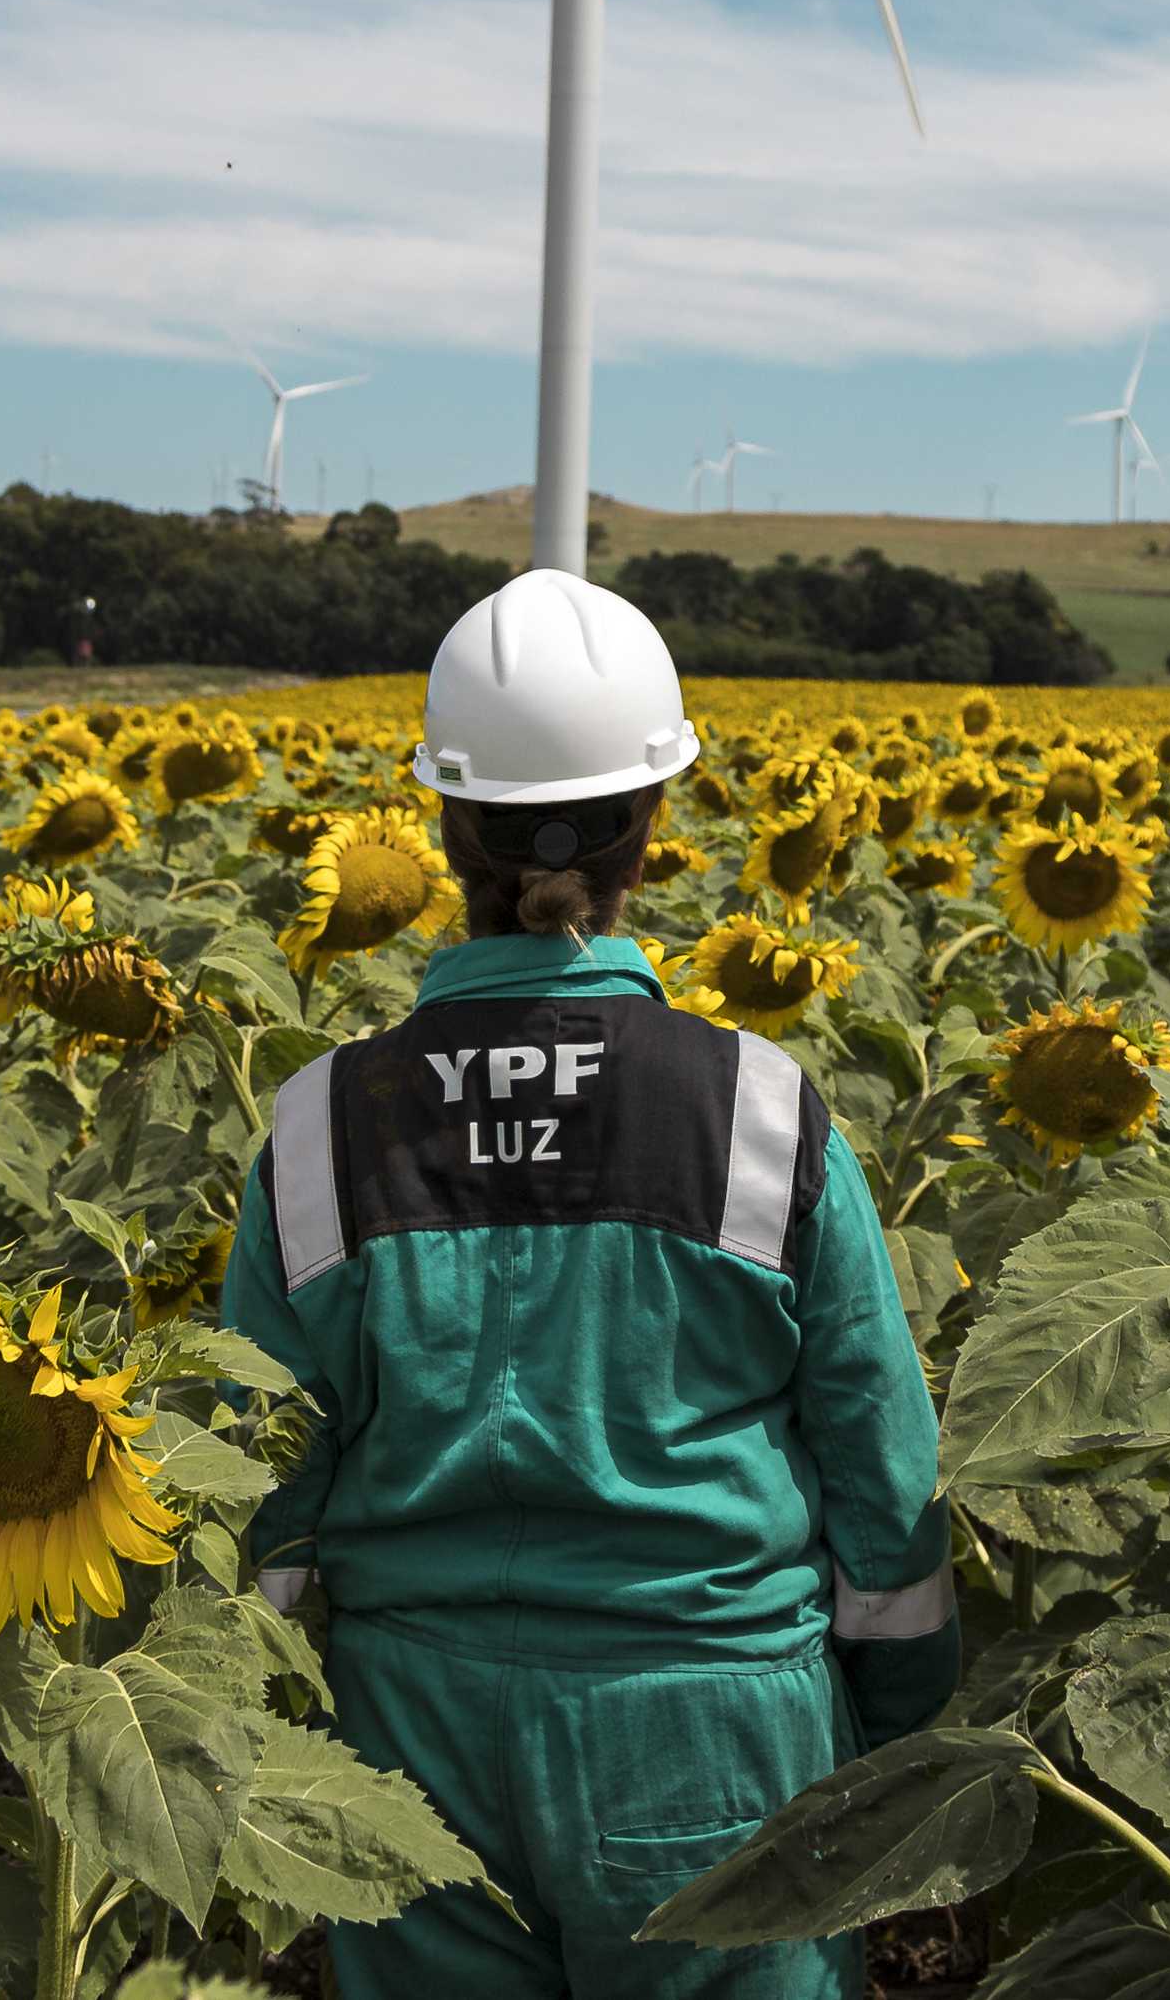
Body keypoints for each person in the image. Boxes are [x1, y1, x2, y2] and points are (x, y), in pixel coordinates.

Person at [221, 568, 957, 2000]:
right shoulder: (755, 1107)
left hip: (408, 1731)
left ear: (444, 829)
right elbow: (882, 1474)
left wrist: (273, 1737)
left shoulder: (319, 1124)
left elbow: (256, 1484)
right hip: (711, 1724)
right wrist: (886, 1733)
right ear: (649, 828)